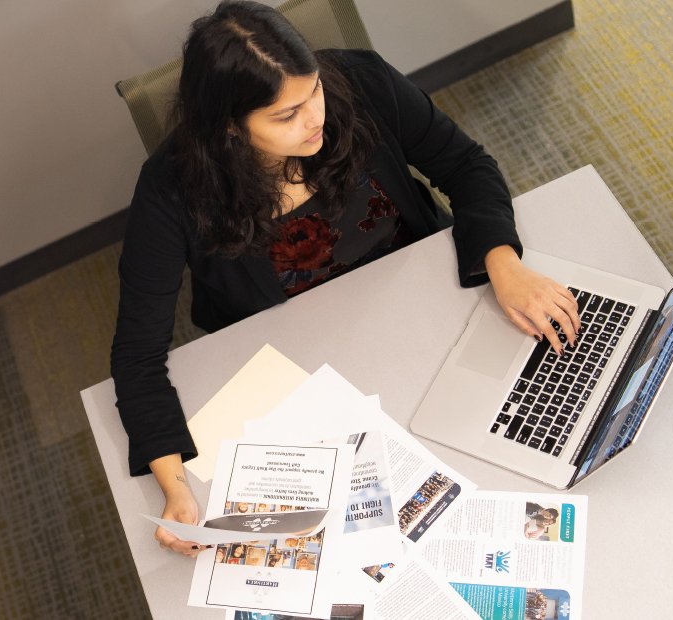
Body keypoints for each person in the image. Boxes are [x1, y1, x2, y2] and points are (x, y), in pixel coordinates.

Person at [113, 1, 583, 558]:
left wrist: (503, 263)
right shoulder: (172, 189)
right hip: (302, 362)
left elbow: (466, 166)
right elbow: (137, 355)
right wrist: (176, 489)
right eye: (286, 116)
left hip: (425, 301)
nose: (315, 117)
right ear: (231, 130)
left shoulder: (358, 82)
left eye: (312, 92)